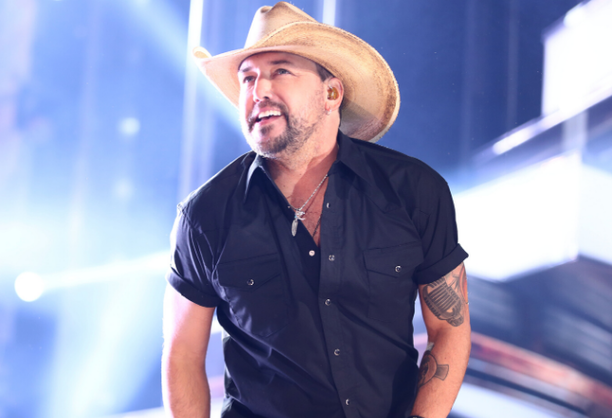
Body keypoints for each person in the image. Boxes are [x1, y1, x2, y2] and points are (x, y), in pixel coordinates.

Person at [162, 2, 471, 417]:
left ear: (331, 93)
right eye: (248, 77)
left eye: (280, 71)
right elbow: (182, 352)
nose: (258, 90)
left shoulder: (413, 190)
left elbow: (448, 329)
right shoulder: (205, 215)